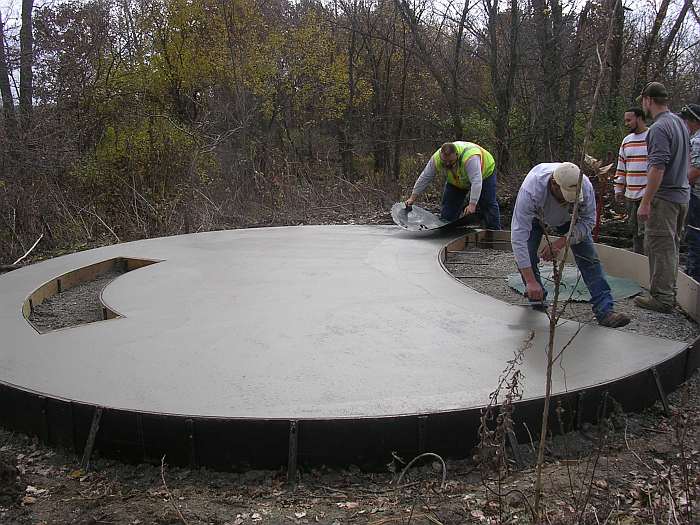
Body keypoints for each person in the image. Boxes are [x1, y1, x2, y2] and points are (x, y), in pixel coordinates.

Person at [510, 161, 631, 328]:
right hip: (536, 217)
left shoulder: (585, 186)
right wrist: (530, 281)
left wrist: (561, 242)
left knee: (590, 260)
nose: (568, 202)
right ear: (553, 184)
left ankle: (605, 311)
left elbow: (588, 222)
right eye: (565, 197)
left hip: (571, 220)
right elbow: (518, 237)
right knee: (528, 256)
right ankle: (537, 303)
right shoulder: (531, 190)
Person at [635, 82, 690, 313]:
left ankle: (662, 298)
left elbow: (657, 168)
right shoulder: (679, 122)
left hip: (665, 198)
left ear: (648, 100)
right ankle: (669, 292)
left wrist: (646, 202)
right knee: (671, 246)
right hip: (681, 196)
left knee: (660, 247)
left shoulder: (658, 128)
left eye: (643, 101)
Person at [405, 142, 501, 230]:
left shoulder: (470, 158)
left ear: (456, 155)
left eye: (450, 162)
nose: (447, 164)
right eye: (444, 161)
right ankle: (448, 233)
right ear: (441, 155)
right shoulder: (437, 158)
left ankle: (495, 233)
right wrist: (412, 198)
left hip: (484, 174)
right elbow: (425, 177)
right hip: (457, 180)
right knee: (448, 209)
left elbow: (477, 181)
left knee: (488, 203)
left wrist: (472, 205)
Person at [614, 107, 648, 254]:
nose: (626, 123)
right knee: (635, 232)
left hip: (647, 195)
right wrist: (618, 188)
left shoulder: (652, 136)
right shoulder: (626, 141)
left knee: (646, 232)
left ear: (639, 118)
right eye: (625, 120)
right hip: (630, 195)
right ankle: (638, 261)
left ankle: (648, 264)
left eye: (629, 120)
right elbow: (621, 167)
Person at [680, 103, 700, 281]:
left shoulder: (697, 141)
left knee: (694, 235)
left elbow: (695, 171)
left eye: (686, 120)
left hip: (696, 196)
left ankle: (693, 278)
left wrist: (681, 181)